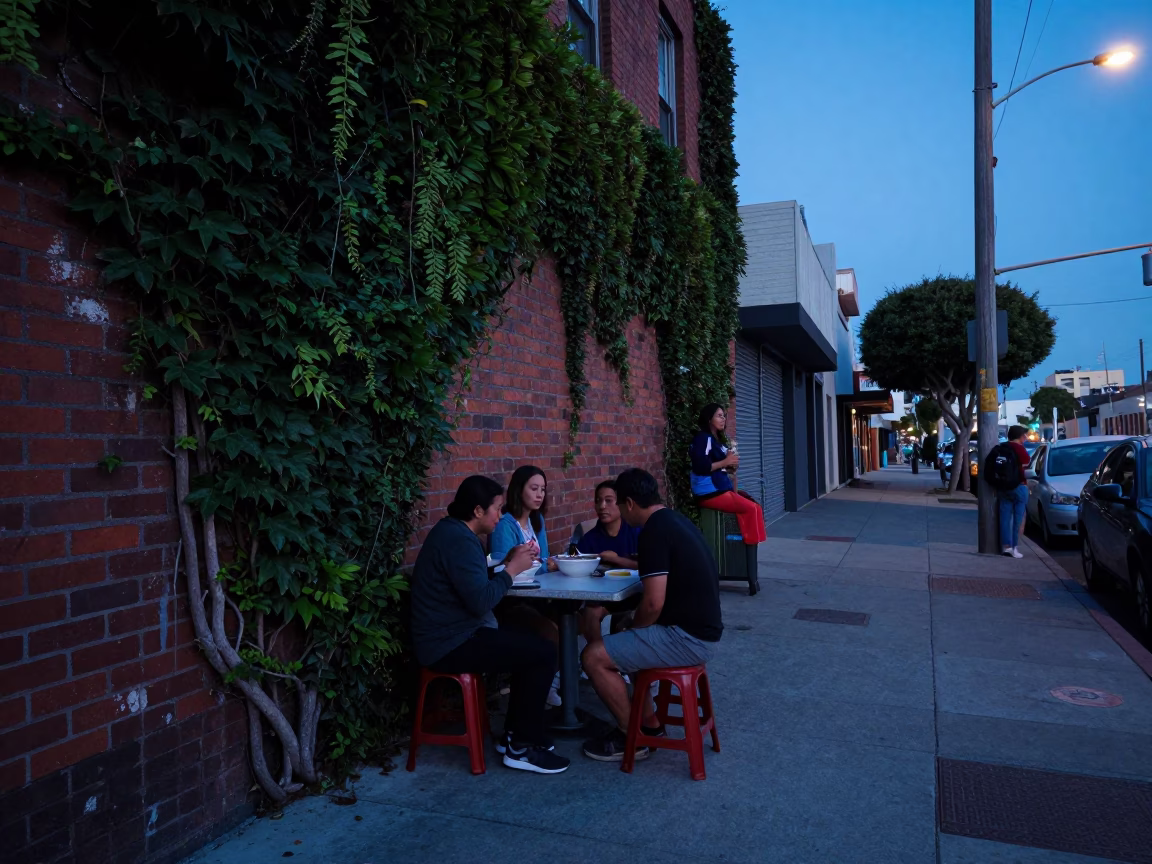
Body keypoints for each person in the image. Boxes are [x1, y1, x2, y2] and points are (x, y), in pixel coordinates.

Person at [409, 475, 570, 774]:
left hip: (455, 634)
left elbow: (470, 579)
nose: (500, 514)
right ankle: (521, 747)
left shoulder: (454, 533)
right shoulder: (459, 539)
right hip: (448, 643)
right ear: (478, 511)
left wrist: (504, 563)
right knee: (542, 652)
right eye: (497, 508)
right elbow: (481, 600)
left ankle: (515, 735)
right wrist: (510, 570)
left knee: (533, 645)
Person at [581, 468, 724, 762]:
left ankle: (630, 734)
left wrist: (635, 628)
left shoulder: (653, 532)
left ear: (629, 504)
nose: (619, 510)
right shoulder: (675, 520)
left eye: (618, 504)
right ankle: (650, 726)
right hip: (703, 631)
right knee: (624, 632)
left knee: (593, 656)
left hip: (687, 637)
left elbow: (653, 604)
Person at [689, 403, 767, 546]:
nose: (723, 419)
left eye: (724, 416)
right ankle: (749, 547)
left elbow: (720, 468)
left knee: (755, 506)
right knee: (751, 509)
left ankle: (751, 547)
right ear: (708, 419)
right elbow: (700, 467)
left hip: (720, 489)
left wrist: (730, 467)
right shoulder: (703, 438)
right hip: (710, 492)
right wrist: (726, 462)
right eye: (719, 416)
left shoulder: (716, 441)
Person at [577, 480, 641, 643]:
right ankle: (597, 655)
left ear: (621, 503)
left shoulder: (636, 532)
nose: (602, 506)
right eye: (598, 501)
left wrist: (616, 559)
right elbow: (576, 564)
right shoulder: (589, 539)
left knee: (625, 621)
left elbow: (649, 565)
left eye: (608, 500)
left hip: (636, 594)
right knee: (590, 612)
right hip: (602, 597)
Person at [490, 465, 558, 575]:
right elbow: (503, 569)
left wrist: (551, 564)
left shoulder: (537, 519)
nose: (540, 495)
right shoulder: (503, 525)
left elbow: (544, 559)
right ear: (519, 490)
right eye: (534, 489)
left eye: (543, 490)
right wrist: (546, 566)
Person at [999, 425, 1031, 559]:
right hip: (1019, 485)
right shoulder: (1020, 448)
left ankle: (1006, 546)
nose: (1025, 438)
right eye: (1024, 435)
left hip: (1003, 486)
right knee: (1017, 519)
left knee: (1004, 518)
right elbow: (1027, 465)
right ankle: (1015, 547)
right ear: (1019, 436)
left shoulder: (1002, 447)